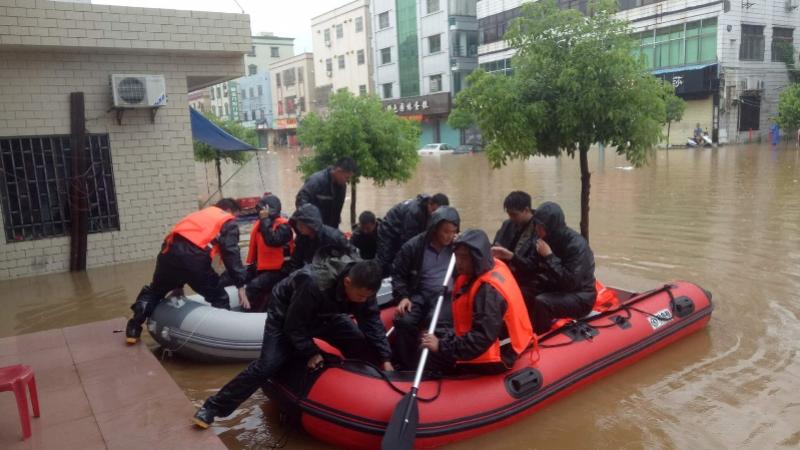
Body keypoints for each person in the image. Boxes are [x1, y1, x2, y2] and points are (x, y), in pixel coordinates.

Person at [193, 255, 393, 428]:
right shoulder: (314, 283)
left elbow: (372, 320)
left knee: (361, 344)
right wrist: (311, 352)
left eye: (368, 297)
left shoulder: (365, 288)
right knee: (267, 365)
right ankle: (212, 408)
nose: (363, 300)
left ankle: (378, 389)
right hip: (285, 313)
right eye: (360, 296)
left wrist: (385, 356)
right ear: (348, 282)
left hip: (327, 313)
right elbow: (294, 326)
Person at [125, 198, 250, 344]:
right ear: (229, 210)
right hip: (194, 260)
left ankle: (133, 328)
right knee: (219, 297)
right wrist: (241, 285)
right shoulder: (227, 221)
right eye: (235, 215)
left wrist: (178, 285)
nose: (235, 218)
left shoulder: (198, 215)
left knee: (155, 291)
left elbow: (181, 245)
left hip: (168, 253)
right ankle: (226, 338)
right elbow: (231, 253)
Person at [419, 229, 534, 375]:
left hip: (499, 355)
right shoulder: (485, 267)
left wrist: (441, 346)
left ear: (477, 258)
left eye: (464, 258)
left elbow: (481, 339)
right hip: (487, 338)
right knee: (432, 333)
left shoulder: (488, 292)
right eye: (457, 256)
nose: (458, 263)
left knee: (431, 354)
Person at [390, 206, 460, 369]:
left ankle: (437, 366)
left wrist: (464, 242)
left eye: (453, 231)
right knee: (404, 321)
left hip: (447, 295)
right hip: (419, 293)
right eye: (445, 231)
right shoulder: (413, 246)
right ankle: (406, 365)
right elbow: (398, 273)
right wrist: (403, 296)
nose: (450, 236)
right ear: (435, 229)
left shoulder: (458, 246)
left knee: (440, 324)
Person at [528, 202, 596, 335]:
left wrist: (549, 256)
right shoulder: (544, 239)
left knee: (542, 302)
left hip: (581, 296)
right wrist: (513, 258)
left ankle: (542, 340)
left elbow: (570, 282)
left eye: (540, 226)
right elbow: (533, 266)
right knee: (525, 291)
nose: (537, 229)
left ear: (551, 227)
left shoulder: (576, 245)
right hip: (557, 288)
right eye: (536, 225)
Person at [375, 193, 450, 276]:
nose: (436, 215)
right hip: (388, 230)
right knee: (384, 260)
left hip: (402, 228)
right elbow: (408, 241)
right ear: (429, 204)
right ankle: (376, 280)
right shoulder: (414, 213)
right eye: (434, 211)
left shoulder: (430, 211)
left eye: (439, 213)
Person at [244, 194, 294, 312]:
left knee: (253, 287)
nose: (259, 212)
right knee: (231, 277)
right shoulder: (261, 225)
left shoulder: (284, 227)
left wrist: (265, 219)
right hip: (262, 267)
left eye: (261, 209)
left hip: (280, 270)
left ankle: (250, 316)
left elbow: (272, 241)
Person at [490, 191, 539, 302]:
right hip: (505, 274)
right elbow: (496, 245)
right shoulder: (508, 224)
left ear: (526, 210)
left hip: (529, 281)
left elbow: (533, 265)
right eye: (509, 214)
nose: (511, 218)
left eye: (514, 214)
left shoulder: (539, 229)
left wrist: (512, 257)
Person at [282, 203, 350, 275]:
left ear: (311, 224)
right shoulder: (301, 239)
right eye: (297, 224)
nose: (298, 227)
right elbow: (295, 262)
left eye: (301, 224)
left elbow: (349, 261)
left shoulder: (334, 238)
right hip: (309, 275)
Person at [295, 157, 357, 229]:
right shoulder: (316, 180)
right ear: (338, 171)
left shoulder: (342, 187)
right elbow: (300, 200)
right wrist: (311, 223)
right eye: (346, 177)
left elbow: (337, 213)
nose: (347, 181)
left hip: (328, 230)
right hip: (311, 229)